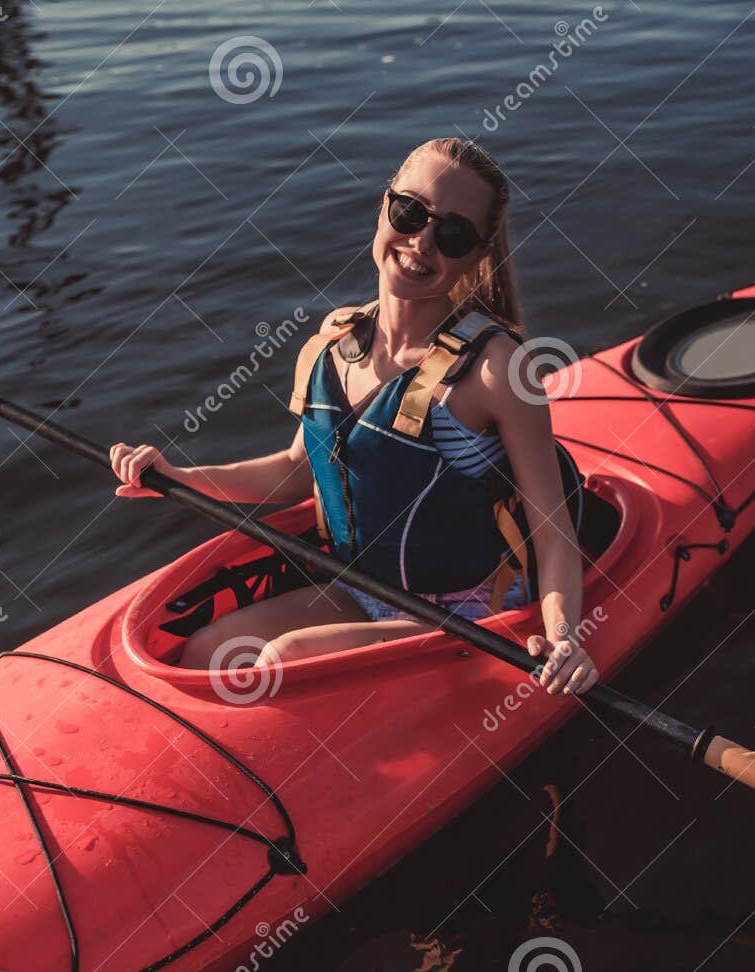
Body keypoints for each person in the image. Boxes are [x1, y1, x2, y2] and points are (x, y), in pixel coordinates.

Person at [112, 138, 597, 696]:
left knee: (281, 660)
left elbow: (555, 538)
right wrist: (178, 478)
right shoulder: (333, 341)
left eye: (453, 234)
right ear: (384, 207)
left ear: (479, 255)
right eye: (410, 212)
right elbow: (296, 470)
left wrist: (563, 638)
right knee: (206, 650)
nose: (421, 242)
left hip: (465, 609)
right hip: (363, 587)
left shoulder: (496, 371)